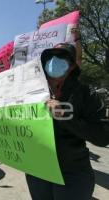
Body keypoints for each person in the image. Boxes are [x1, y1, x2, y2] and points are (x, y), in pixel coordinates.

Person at [25, 43, 109, 200]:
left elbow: (102, 136)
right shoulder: (32, 91)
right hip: (38, 170)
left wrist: (64, 116)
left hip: (72, 172)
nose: (53, 61)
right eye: (50, 57)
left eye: (61, 57)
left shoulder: (86, 94)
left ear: (71, 66)